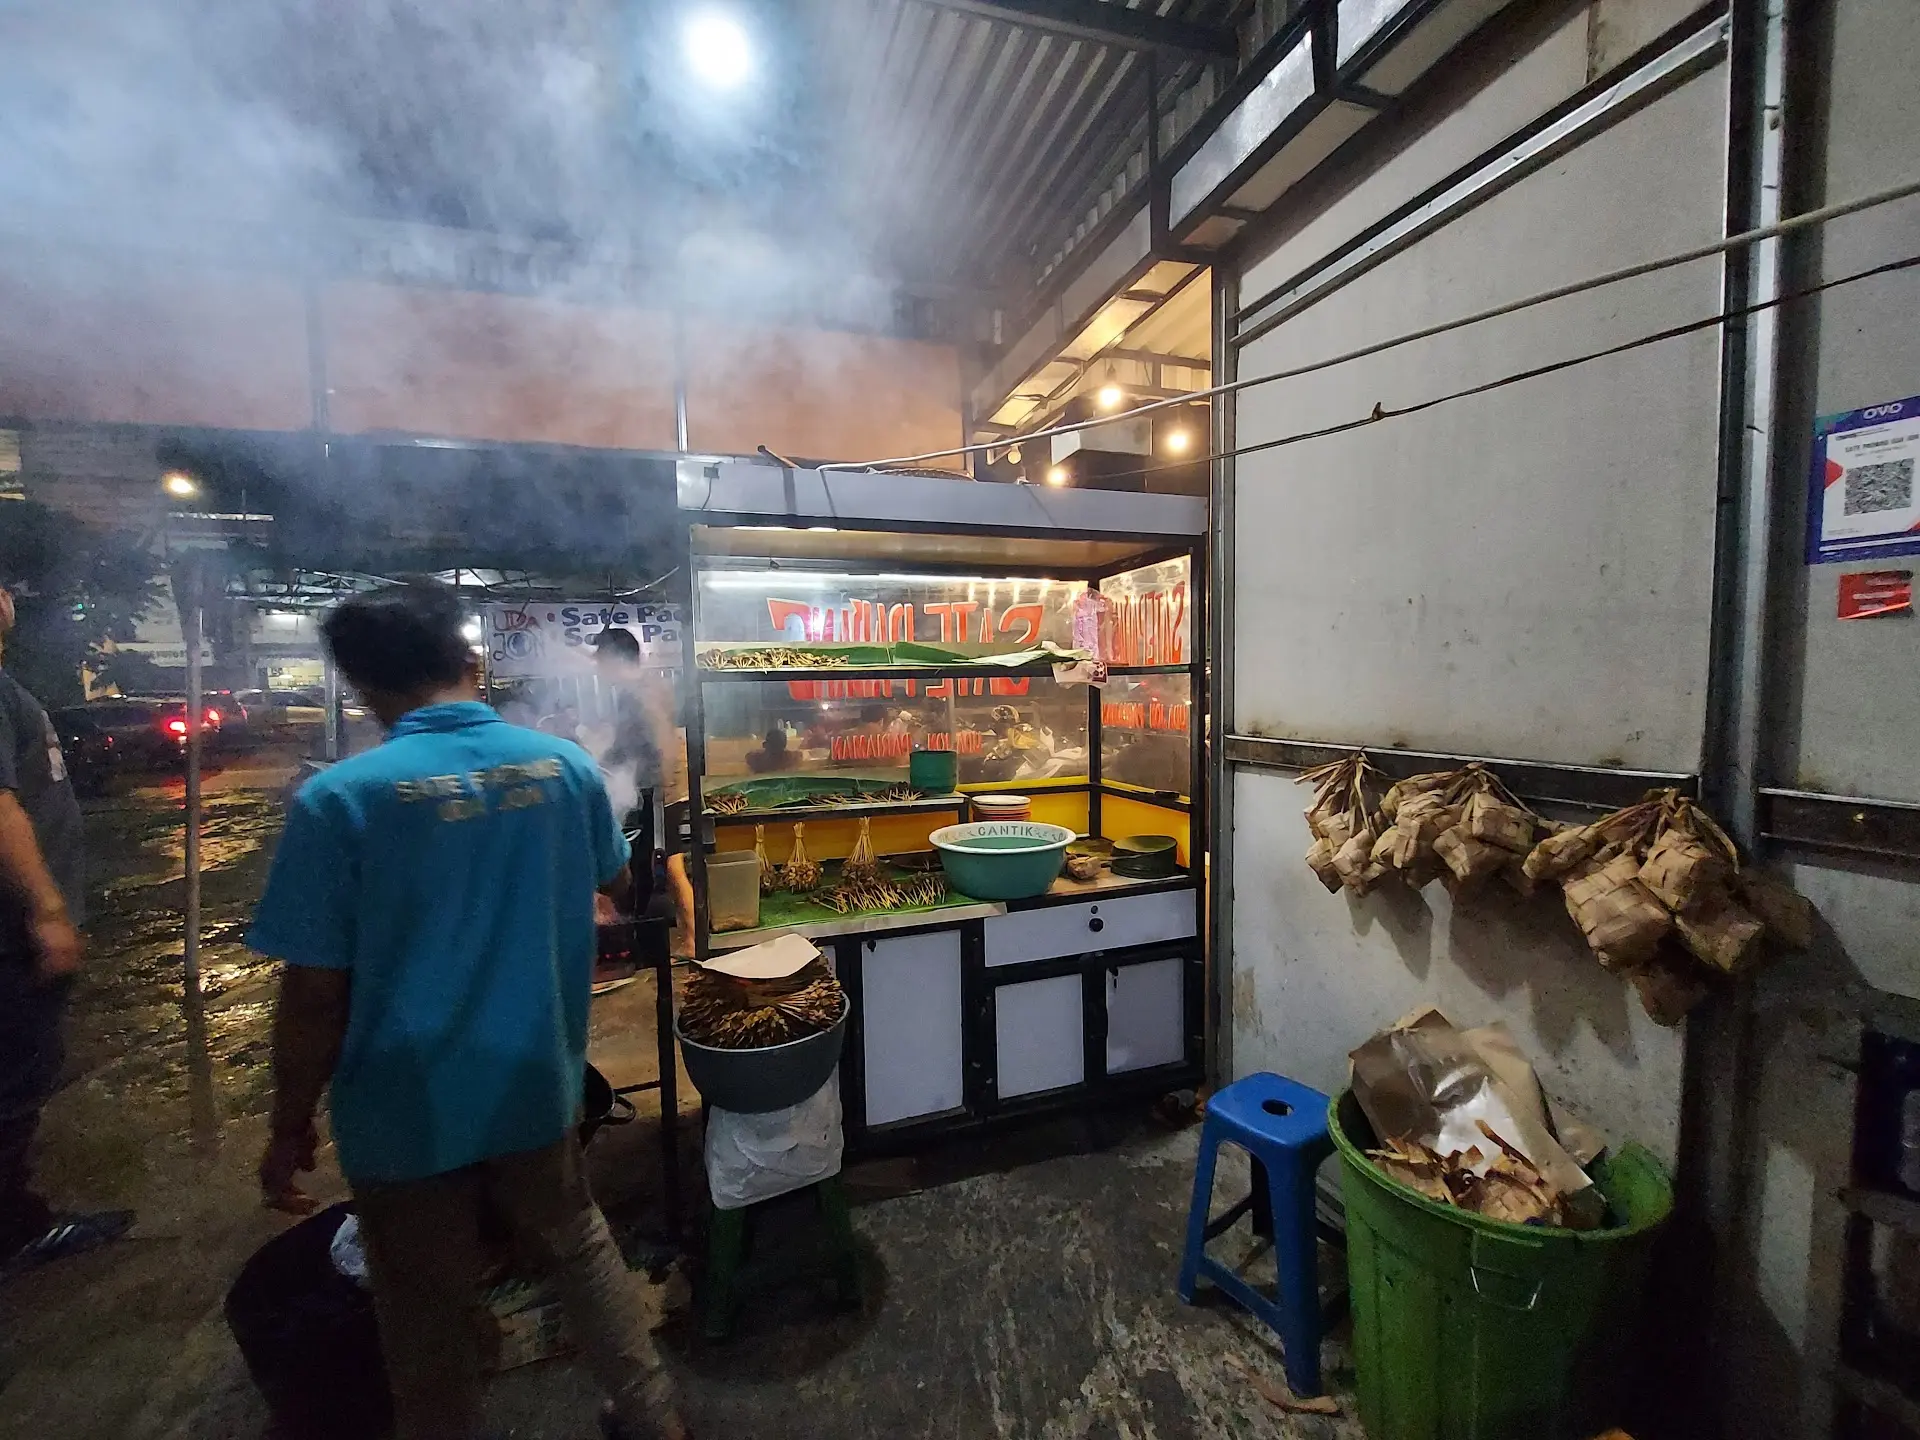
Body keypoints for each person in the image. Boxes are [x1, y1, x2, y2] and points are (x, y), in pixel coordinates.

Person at [249, 583, 688, 1440]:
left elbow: (313, 993)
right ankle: (654, 1418)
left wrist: (289, 1122)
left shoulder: (340, 800)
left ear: (361, 686)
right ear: (468, 661)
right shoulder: (564, 770)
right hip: (536, 1073)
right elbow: (616, 881)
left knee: (423, 1305)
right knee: (577, 1242)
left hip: (404, 1102)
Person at [0, 582, 134, 1278]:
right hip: (11, 931)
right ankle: (13, 1231)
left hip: (16, 924)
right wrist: (47, 911)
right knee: (15, 1079)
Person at [589, 626, 693, 949]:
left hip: (663, 787)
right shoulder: (645, 685)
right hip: (663, 784)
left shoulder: (638, 691)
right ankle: (676, 936)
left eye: (601, 658)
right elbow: (628, 742)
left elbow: (657, 738)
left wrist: (659, 780)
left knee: (670, 862)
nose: (598, 665)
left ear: (615, 658)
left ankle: (694, 939)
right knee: (662, 861)